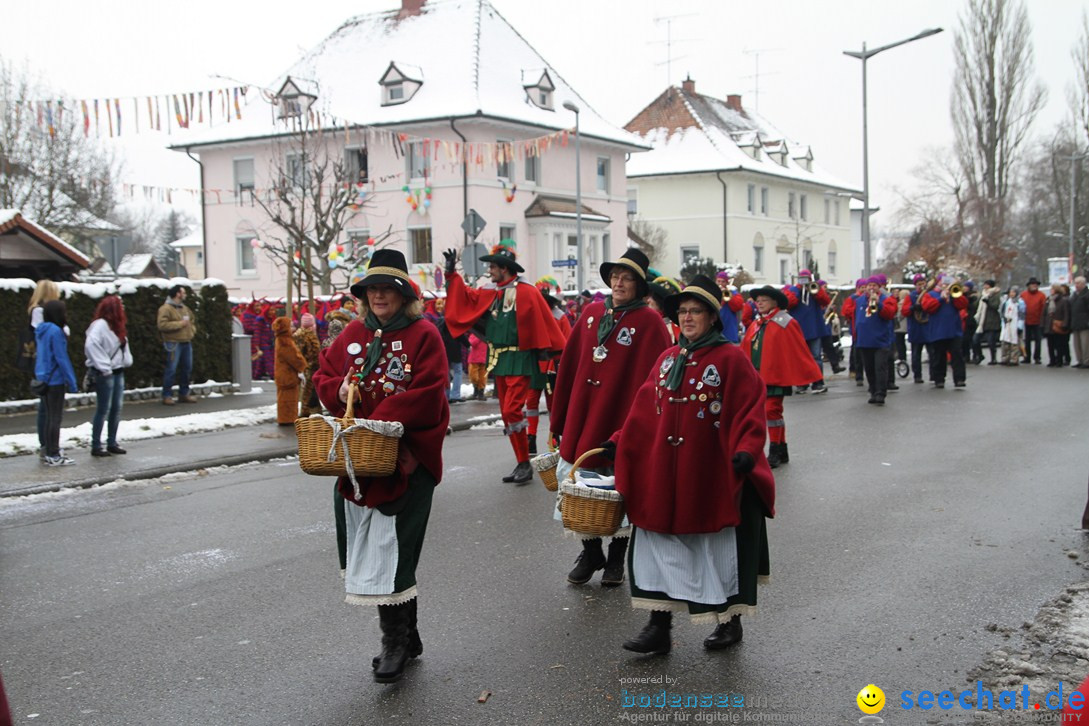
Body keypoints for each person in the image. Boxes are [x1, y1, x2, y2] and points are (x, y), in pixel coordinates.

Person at [605, 274, 775, 655]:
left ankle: (729, 621)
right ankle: (658, 626)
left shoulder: (731, 359)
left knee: (712, 550)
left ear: (713, 317)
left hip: (709, 473)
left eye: (695, 311)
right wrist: (618, 442)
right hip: (664, 473)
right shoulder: (667, 360)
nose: (687, 318)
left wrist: (747, 449)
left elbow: (751, 409)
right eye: (682, 312)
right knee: (660, 544)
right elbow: (644, 410)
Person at [312, 249, 450, 685]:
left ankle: (394, 642)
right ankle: (407, 637)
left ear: (402, 293)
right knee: (371, 550)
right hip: (357, 463)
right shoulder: (353, 331)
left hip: (405, 462)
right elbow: (323, 377)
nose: (378, 296)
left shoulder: (424, 335)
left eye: (386, 288)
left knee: (394, 548)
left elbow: (430, 392)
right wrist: (340, 390)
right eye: (371, 288)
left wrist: (383, 419)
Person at [549, 249, 670, 587]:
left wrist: (648, 426)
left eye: (627, 277)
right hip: (584, 415)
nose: (619, 282)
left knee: (621, 487)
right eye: (615, 275)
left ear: (639, 285)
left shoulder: (650, 323)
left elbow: (659, 378)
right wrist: (559, 420)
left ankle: (617, 556)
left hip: (623, 418)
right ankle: (590, 552)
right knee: (576, 481)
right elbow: (569, 367)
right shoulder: (590, 313)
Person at [441, 240, 565, 484]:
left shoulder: (528, 292)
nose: (490, 271)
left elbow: (545, 325)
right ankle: (522, 463)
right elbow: (465, 298)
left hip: (519, 358)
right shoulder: (492, 293)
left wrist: (553, 355)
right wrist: (450, 274)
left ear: (505, 268)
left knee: (511, 410)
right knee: (508, 414)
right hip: (498, 359)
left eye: (493, 267)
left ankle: (523, 463)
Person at [741, 285, 823, 468]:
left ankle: (775, 449)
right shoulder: (756, 323)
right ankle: (782, 448)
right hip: (758, 375)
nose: (759, 303)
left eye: (764, 300)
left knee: (772, 411)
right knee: (768, 412)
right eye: (758, 300)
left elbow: (796, 349)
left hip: (776, 376)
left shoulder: (785, 321)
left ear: (774, 302)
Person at [84, 295, 134, 457]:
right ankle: (96, 445)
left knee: (116, 409)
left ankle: (111, 442)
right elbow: (91, 344)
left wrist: (124, 361)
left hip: (117, 370)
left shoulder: (116, 326)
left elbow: (122, 347)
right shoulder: (100, 325)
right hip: (106, 373)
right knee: (103, 408)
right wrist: (104, 366)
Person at [525, 280, 571, 455]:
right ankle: (531, 437)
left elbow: (566, 344)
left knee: (553, 405)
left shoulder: (560, 317)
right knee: (531, 402)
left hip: (552, 367)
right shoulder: (533, 315)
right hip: (535, 366)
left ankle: (554, 438)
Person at [35, 300, 78, 466]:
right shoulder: (56, 332)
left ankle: (48, 451)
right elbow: (62, 358)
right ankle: (54, 453)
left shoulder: (42, 330)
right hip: (56, 380)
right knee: (55, 418)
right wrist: (72, 381)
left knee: (48, 417)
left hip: (43, 379)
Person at [844, 277, 898, 404]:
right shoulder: (859, 301)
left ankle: (881, 393)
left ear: (879, 287)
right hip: (864, 340)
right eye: (869, 285)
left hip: (880, 341)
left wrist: (879, 304)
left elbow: (889, 314)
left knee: (880, 367)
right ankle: (873, 391)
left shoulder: (887, 299)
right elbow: (856, 319)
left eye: (874, 285)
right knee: (869, 368)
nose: (871, 287)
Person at [26, 280, 64, 460]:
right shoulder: (40, 312)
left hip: (41, 363)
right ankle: (47, 445)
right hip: (45, 365)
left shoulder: (34, 309)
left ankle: (46, 444)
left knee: (45, 406)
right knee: (47, 409)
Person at [781, 269, 831, 394]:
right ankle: (802, 383)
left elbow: (826, 301)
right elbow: (788, 303)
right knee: (800, 358)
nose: (804, 281)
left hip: (814, 329)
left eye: (806, 279)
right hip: (798, 331)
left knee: (816, 357)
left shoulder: (815, 290)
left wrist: (816, 291)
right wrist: (798, 290)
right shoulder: (793, 290)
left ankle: (818, 382)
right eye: (802, 278)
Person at [919, 275, 969, 389]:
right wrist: (941, 298)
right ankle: (939, 379)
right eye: (943, 282)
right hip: (938, 331)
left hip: (954, 331)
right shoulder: (930, 294)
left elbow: (963, 305)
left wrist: (954, 295)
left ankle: (959, 379)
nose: (945, 284)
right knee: (939, 356)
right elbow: (927, 307)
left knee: (957, 355)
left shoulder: (954, 294)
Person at [157, 284, 197, 405]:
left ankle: (184, 393)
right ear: (177, 294)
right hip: (173, 343)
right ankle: (166, 395)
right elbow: (162, 325)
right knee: (171, 369)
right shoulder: (166, 308)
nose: (185, 295)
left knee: (187, 369)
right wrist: (180, 324)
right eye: (183, 292)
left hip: (186, 341)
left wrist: (192, 331)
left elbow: (192, 320)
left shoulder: (184, 308)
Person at [272, 316, 306, 424]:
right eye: (290, 326)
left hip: (283, 374)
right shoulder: (285, 341)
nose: (293, 328)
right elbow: (294, 357)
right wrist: (302, 366)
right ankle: (288, 419)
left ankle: (286, 418)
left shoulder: (281, 339)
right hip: (288, 375)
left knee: (285, 397)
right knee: (289, 398)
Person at [903, 274, 934, 384]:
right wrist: (913, 307)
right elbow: (904, 311)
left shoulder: (930, 294)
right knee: (916, 354)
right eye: (919, 284)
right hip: (916, 329)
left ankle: (933, 375)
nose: (921, 286)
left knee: (933, 353)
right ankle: (917, 375)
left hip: (929, 328)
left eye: (923, 283)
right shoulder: (911, 296)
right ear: (915, 285)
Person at [295, 313, 322, 416]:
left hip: (312, 367)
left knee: (312, 391)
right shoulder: (305, 335)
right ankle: (308, 413)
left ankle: (313, 411)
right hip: (309, 368)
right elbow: (301, 353)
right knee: (309, 392)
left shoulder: (305, 333)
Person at [972, 280, 1002, 365]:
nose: (985, 286)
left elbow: (996, 306)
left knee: (990, 342)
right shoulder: (983, 294)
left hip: (991, 321)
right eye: (984, 285)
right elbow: (976, 305)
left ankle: (993, 358)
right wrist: (977, 299)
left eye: (987, 285)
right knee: (975, 340)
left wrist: (988, 301)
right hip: (981, 322)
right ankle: (980, 355)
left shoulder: (995, 294)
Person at [1020, 277, 1047, 364]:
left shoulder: (1041, 295)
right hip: (1026, 321)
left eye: (1036, 285)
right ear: (1029, 286)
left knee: (1038, 340)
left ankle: (1037, 357)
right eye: (1032, 284)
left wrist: (1043, 320)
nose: (1034, 286)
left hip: (1038, 321)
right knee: (1026, 340)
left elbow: (1044, 308)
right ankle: (1027, 357)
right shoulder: (1023, 295)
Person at [1044, 283, 1071, 367]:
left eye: (1052, 289)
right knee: (1050, 344)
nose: (1051, 291)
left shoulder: (1063, 300)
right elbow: (1044, 313)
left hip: (1058, 324)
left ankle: (1059, 360)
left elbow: (1066, 313)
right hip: (1049, 324)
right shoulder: (1048, 300)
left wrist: (1065, 324)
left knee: (1059, 344)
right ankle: (1052, 360)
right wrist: (1042, 324)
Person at [716, 270, 745, 343]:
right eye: (719, 281)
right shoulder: (712, 293)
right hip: (716, 333)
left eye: (723, 282)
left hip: (729, 334)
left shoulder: (733, 293)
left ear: (727, 283)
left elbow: (738, 306)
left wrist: (727, 295)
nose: (720, 284)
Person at [999, 286, 1025, 365]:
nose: (1012, 294)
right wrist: (1003, 321)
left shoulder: (1020, 302)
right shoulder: (1006, 302)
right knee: (1005, 341)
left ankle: (1014, 359)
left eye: (1013, 292)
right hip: (1007, 324)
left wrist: (1020, 326)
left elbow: (1022, 314)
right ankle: (1005, 358)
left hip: (1015, 323)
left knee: (1014, 342)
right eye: (1010, 292)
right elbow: (1002, 312)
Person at [1071, 276, 1089, 367]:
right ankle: (1080, 360)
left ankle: (1086, 361)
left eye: (1078, 283)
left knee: (1085, 344)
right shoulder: (1074, 294)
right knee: (1077, 344)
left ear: (1083, 284)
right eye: (1075, 283)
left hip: (1085, 324)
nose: (1076, 285)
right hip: (1075, 323)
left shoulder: (1086, 294)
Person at [466, 332, 488, 400]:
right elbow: (472, 343)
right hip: (477, 358)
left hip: (480, 358)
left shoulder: (476, 334)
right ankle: (477, 391)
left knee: (481, 377)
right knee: (475, 376)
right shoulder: (477, 334)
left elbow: (472, 343)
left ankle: (479, 393)